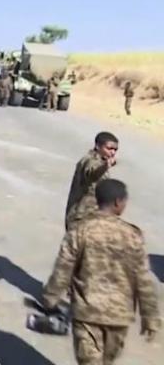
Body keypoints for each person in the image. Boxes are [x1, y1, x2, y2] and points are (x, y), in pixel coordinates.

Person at [42, 179, 159, 364]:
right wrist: (150, 316)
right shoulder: (132, 235)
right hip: (118, 317)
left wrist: (50, 298)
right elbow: (143, 278)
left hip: (87, 313)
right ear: (118, 203)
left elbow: (63, 268)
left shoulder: (80, 230)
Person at [64, 131, 118, 231]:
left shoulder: (99, 160)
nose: (113, 152)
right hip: (81, 217)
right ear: (98, 146)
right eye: (109, 148)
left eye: (115, 150)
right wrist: (105, 167)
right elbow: (92, 173)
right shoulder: (90, 160)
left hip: (90, 216)